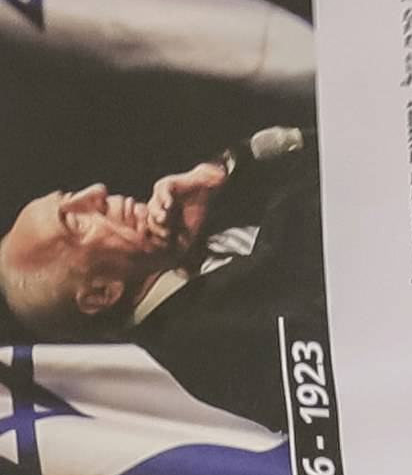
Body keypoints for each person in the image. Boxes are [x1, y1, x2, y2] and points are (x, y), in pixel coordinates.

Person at [0, 127, 319, 432]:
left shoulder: (200, 231)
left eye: (71, 195)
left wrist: (222, 171)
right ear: (101, 293)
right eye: (76, 222)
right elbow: (333, 216)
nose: (96, 193)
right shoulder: (207, 346)